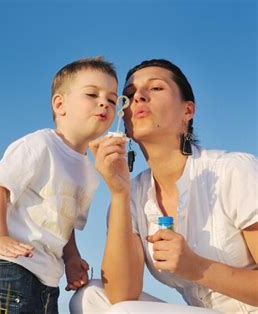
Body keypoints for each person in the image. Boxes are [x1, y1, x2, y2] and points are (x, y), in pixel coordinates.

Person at [70, 59, 258, 313]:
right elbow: (121, 294)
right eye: (128, 95)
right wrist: (119, 193)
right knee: (89, 297)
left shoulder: (233, 170)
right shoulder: (134, 192)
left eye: (156, 88)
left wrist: (197, 267)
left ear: (187, 111)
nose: (138, 97)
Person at [0, 56, 120, 313]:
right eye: (92, 94)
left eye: (112, 100)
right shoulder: (40, 144)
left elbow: (63, 222)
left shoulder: (89, 171)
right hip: (6, 267)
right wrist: (0, 236)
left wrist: (71, 258)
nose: (104, 102)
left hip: (47, 279)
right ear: (60, 104)